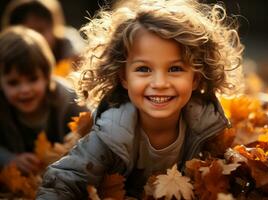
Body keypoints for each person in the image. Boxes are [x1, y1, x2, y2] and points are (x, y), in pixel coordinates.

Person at [37, 0, 244, 198]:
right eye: (144, 69)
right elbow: (66, 179)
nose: (160, 83)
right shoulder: (112, 133)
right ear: (124, 77)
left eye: (175, 69)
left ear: (196, 78)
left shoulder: (208, 126)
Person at [0, 26, 88, 175]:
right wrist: (9, 159)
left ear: (47, 76)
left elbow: (93, 125)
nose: (25, 90)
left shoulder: (67, 97)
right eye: (13, 83)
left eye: (33, 79)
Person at [1, 0, 85, 64]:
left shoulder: (67, 43)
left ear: (54, 28)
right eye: (26, 32)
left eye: (40, 30)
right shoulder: (7, 54)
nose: (34, 37)